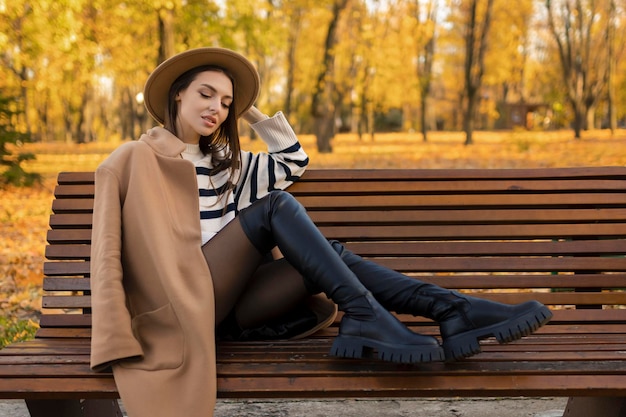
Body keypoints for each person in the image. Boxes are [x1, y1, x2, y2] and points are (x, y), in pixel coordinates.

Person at [89, 47, 552, 417]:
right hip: (177, 311)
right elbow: (106, 254)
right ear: (177, 95)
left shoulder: (229, 166)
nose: (216, 108)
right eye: (206, 95)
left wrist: (249, 112)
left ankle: (450, 309)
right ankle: (398, 313)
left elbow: (293, 161)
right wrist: (114, 340)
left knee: (322, 254)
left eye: (226, 101)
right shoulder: (130, 160)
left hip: (229, 311)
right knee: (276, 208)